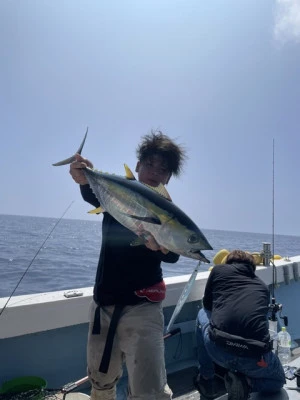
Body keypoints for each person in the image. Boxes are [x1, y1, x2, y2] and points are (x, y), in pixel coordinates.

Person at [69, 130, 187, 400]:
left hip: (143, 309)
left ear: (168, 177)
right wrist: (83, 176)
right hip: (104, 305)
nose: (154, 172)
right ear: (137, 166)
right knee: (100, 381)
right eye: (149, 164)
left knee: (149, 391)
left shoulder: (168, 211)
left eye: (163, 169)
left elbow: (174, 254)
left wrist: (163, 247)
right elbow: (92, 193)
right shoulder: (115, 192)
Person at [194, 250, 286, 400]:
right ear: (252, 269)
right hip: (255, 358)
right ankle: (247, 384)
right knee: (278, 381)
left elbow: (207, 305)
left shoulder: (218, 270)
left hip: (218, 350)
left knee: (201, 313)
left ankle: (207, 378)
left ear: (228, 263)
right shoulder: (262, 287)